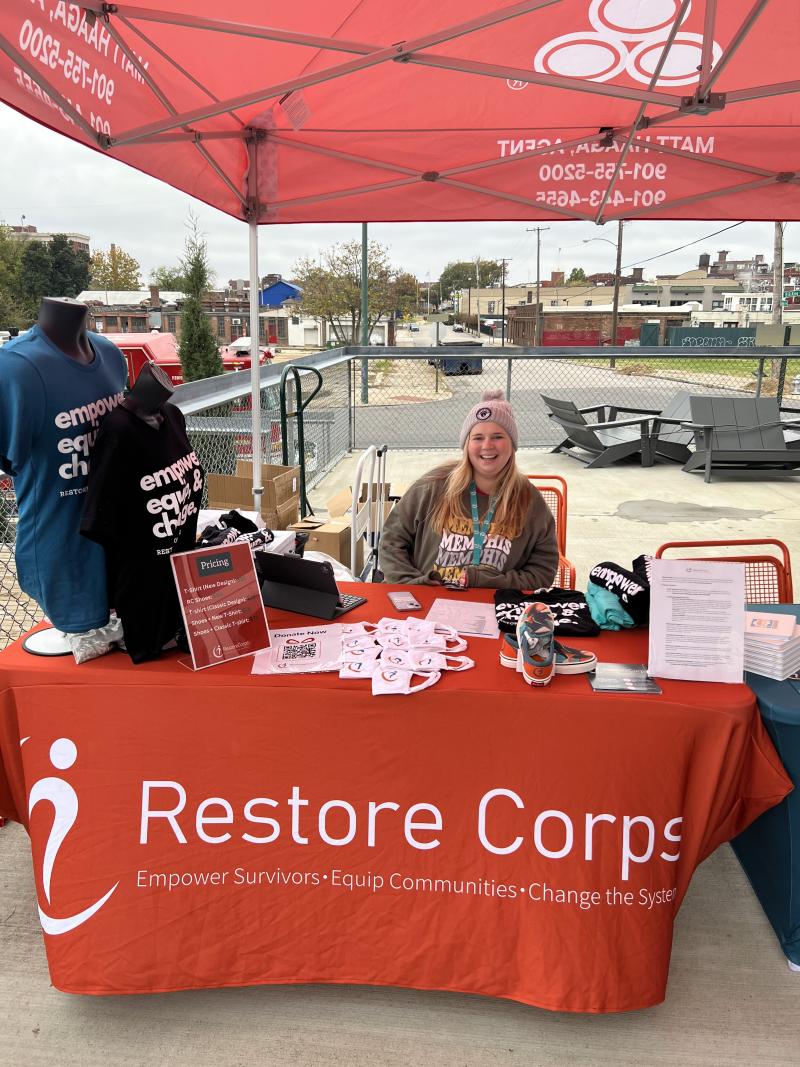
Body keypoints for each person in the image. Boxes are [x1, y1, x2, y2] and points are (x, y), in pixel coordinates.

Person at [380, 390, 559, 590]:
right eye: (477, 437)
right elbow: (391, 541)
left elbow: (543, 571)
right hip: (426, 603)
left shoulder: (529, 499)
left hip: (494, 606)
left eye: (498, 436)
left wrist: (492, 583)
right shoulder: (433, 485)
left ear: (513, 445)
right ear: (466, 444)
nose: (487, 445)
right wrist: (414, 586)